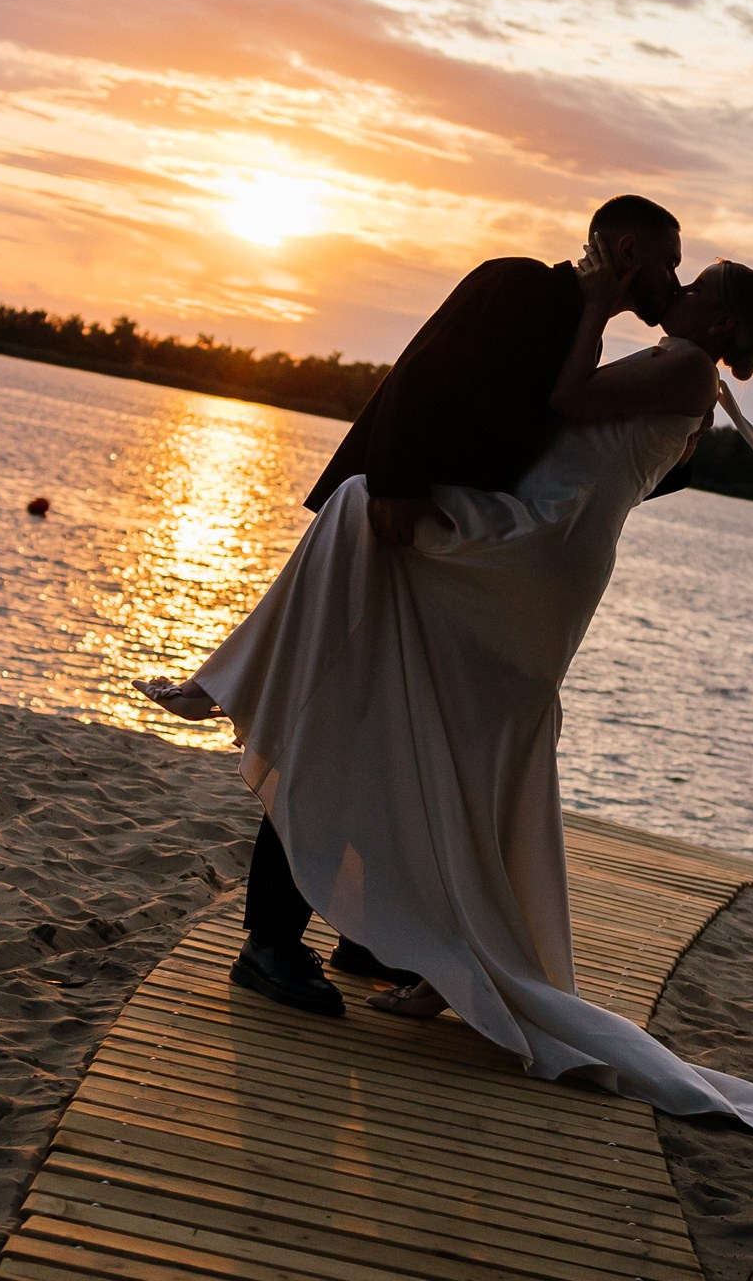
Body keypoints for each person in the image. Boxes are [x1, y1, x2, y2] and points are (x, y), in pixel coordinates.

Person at [147, 247, 753, 1145]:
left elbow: (564, 404)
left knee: (362, 511)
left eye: (697, 284)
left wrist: (592, 305)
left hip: (536, 545)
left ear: (721, 326)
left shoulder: (679, 365)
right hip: (557, 555)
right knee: (460, 734)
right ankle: (417, 932)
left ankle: (241, 686)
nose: (680, 289)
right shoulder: (696, 388)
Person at [140, 195, 690, 1018]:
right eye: (667, 261)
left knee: (392, 741)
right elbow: (420, 373)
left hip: (454, 554)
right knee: (336, 727)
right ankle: (268, 944)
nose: (672, 282)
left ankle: (368, 933)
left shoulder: (587, 337)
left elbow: (584, 452)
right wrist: (394, 483)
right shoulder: (518, 288)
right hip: (403, 528)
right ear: (623, 249)